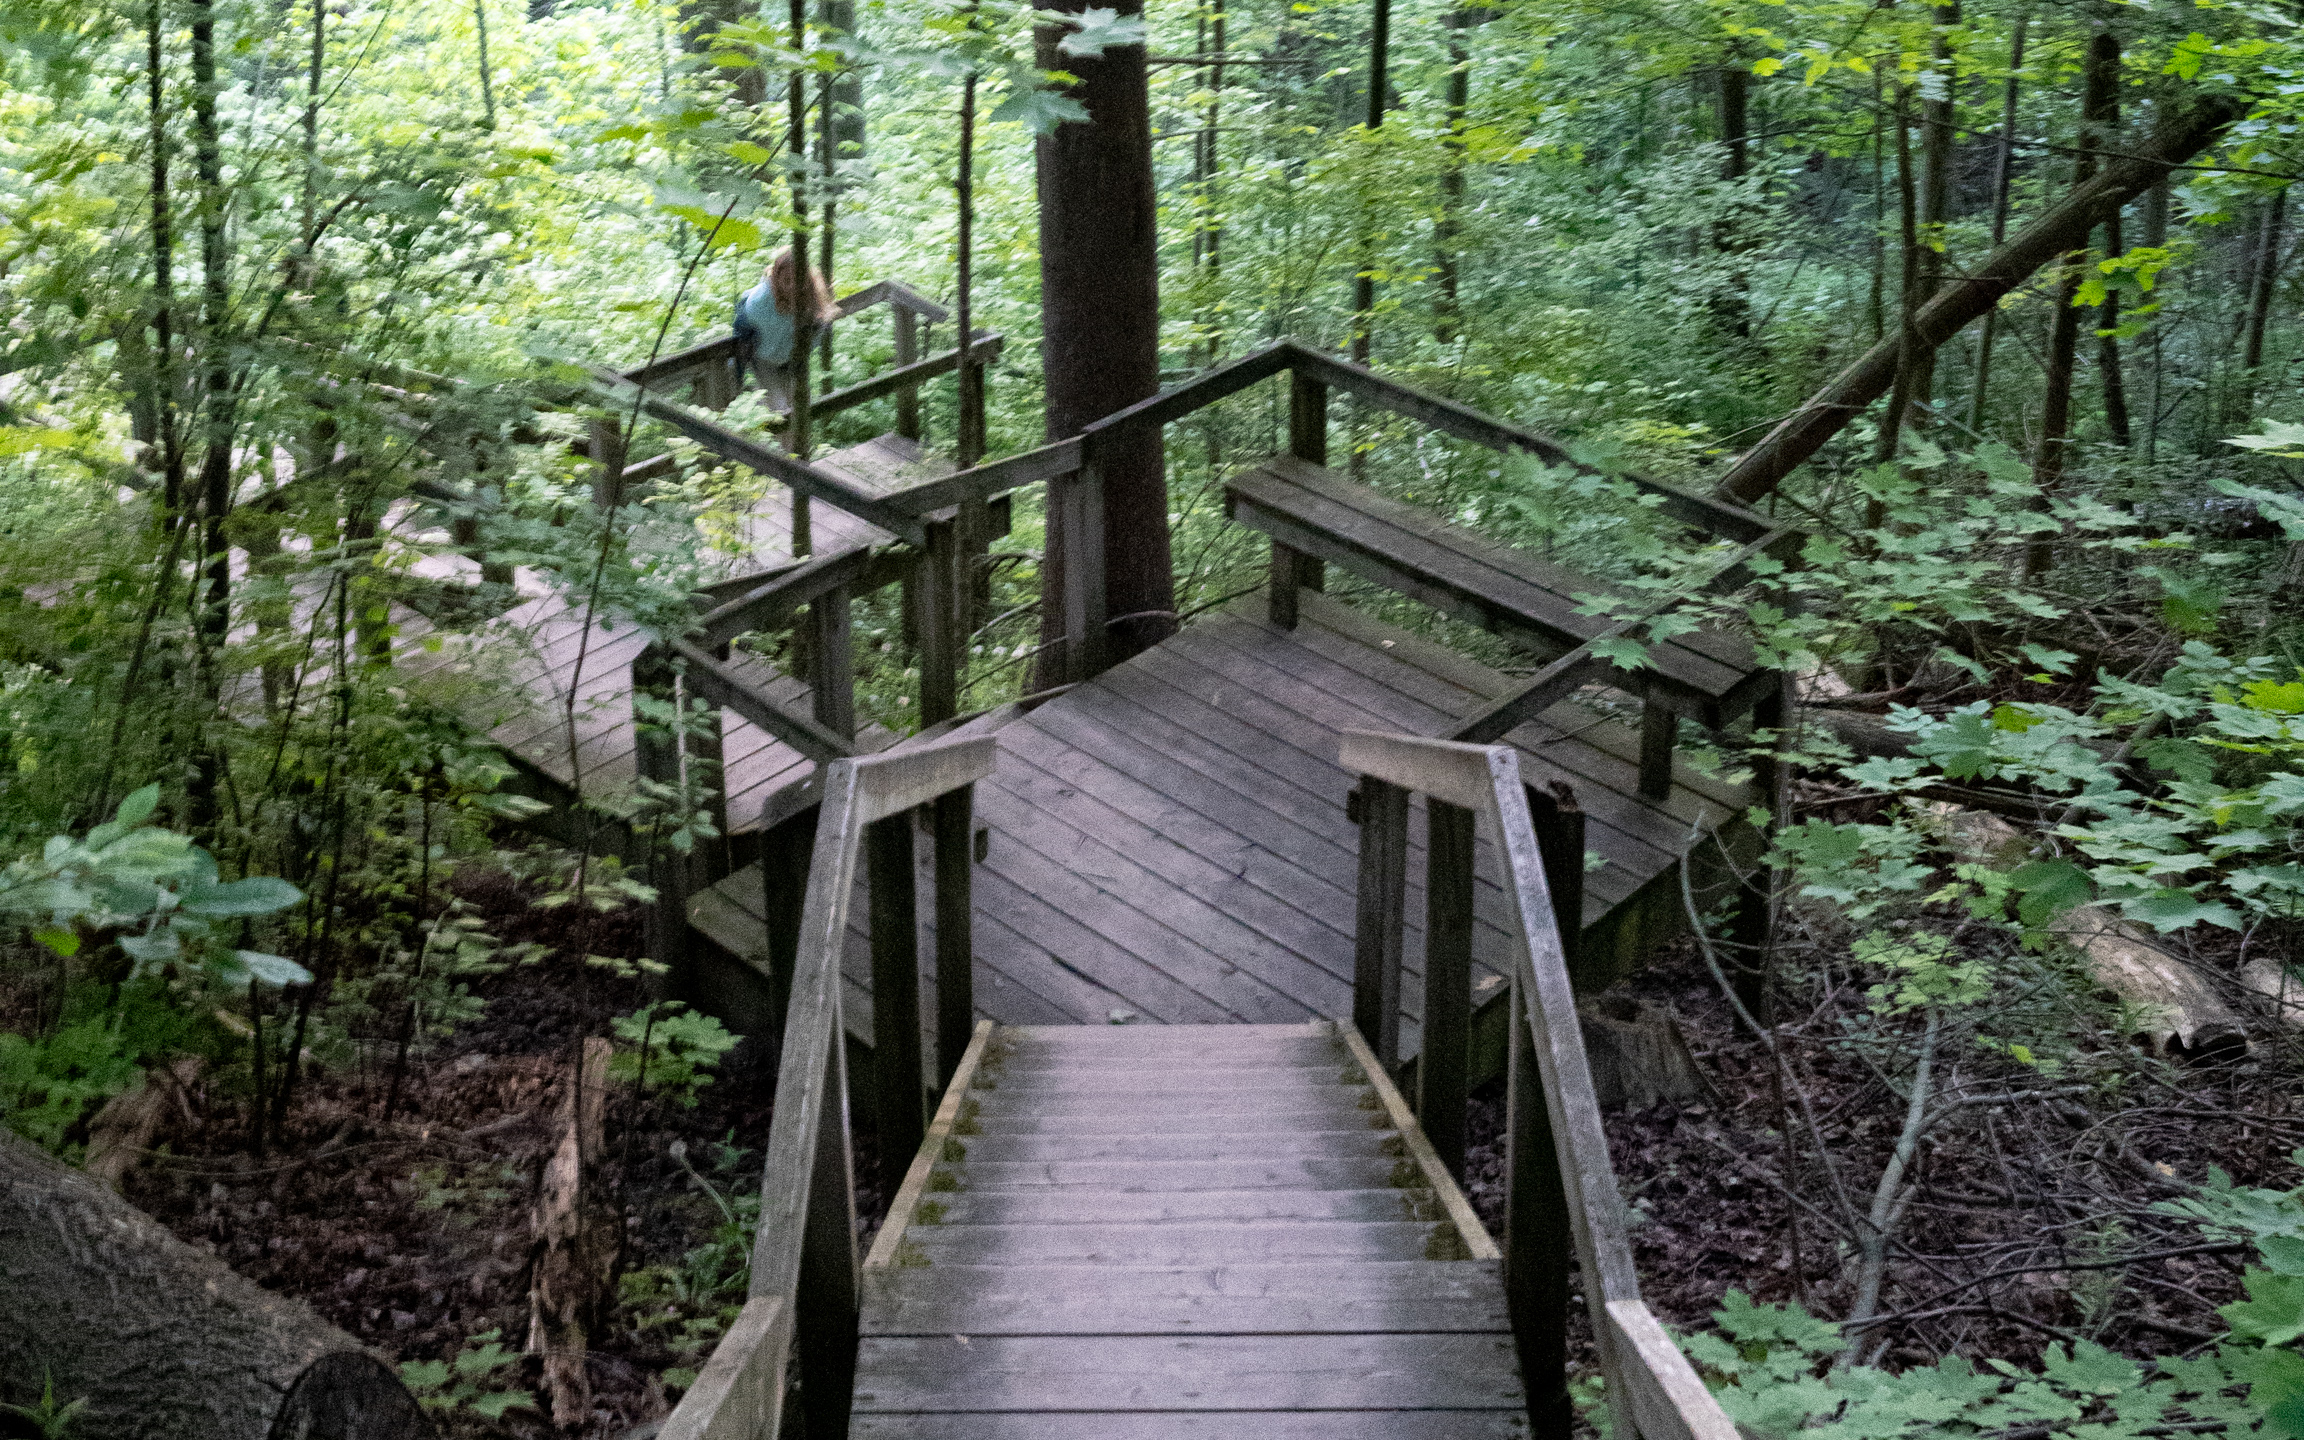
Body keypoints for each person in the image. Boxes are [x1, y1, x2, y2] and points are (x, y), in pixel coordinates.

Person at [732, 247, 840, 413]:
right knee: (779, 409)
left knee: (800, 407)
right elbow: (745, 330)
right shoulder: (761, 300)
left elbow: (823, 325)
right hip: (763, 357)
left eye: (797, 281)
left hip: (791, 359)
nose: (792, 287)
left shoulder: (815, 297)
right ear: (777, 278)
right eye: (787, 280)